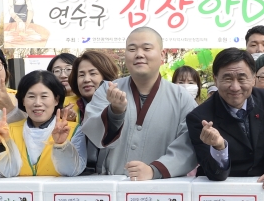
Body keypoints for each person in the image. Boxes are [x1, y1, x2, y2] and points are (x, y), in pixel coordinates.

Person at [82, 27, 197, 179]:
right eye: (132, 49)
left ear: (162, 55)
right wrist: (115, 112)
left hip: (163, 189)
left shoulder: (182, 98)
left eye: (147, 48)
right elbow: (92, 131)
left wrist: (154, 170)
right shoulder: (108, 90)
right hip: (114, 185)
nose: (139, 54)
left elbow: (189, 147)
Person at [186, 48, 264, 188]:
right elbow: (214, 173)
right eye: (227, 78)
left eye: (242, 78)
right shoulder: (200, 118)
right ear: (215, 80)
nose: (235, 87)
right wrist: (219, 147)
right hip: (224, 192)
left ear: (253, 79)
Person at [0, 70, 83, 177]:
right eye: (31, 96)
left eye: (44, 96)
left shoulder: (73, 130)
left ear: (56, 99)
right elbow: (3, 173)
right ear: (22, 100)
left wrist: (61, 145)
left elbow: (72, 171)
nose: (37, 103)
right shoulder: (7, 131)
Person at [66, 50, 120, 174]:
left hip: (113, 174)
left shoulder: (119, 105)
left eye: (93, 73)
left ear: (105, 76)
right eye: (81, 75)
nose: (86, 79)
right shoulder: (67, 107)